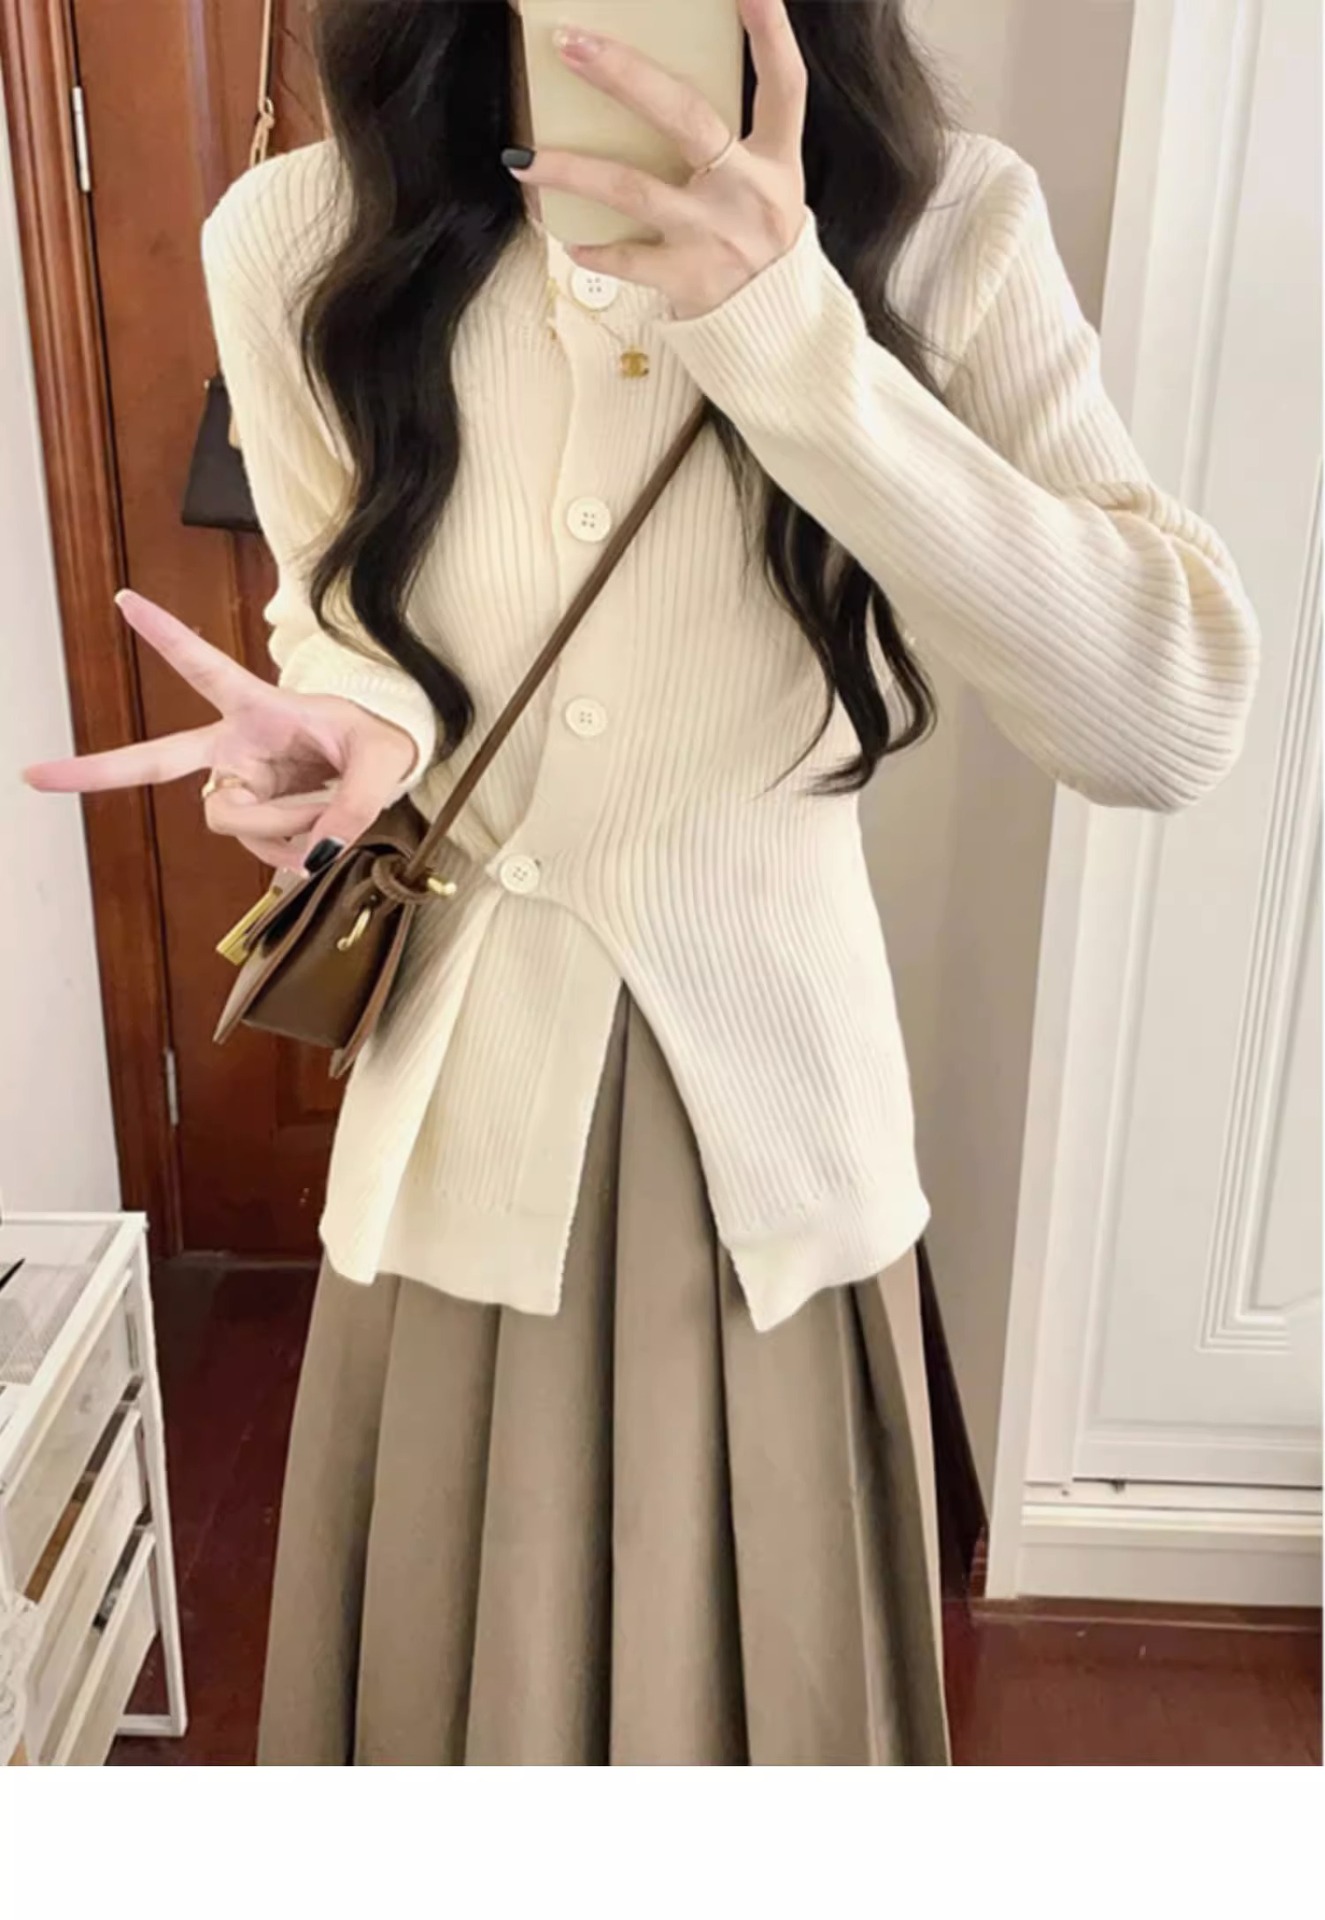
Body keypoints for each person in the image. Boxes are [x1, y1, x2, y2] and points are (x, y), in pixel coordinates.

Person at [25, 0, 1260, 1766]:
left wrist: (787, 334)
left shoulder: (938, 219)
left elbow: (1165, 716)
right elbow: (335, 608)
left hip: (769, 1136)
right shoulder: (302, 231)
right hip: (452, 1126)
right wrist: (350, 729)